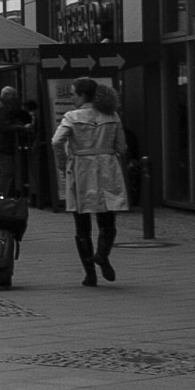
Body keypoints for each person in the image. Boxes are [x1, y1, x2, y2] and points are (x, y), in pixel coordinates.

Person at [53, 77, 129, 285]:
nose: (72, 98)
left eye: (73, 94)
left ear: (82, 95)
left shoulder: (71, 117)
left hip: (81, 167)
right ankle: (102, 254)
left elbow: (56, 141)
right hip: (107, 166)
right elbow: (122, 146)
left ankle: (90, 274)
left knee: (81, 221)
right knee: (107, 216)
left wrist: (63, 163)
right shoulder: (112, 115)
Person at [0, 85, 35, 199]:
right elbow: (5, 126)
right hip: (3, 144)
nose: (15, 99)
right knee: (7, 172)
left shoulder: (0, 106)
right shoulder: (1, 108)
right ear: (6, 96)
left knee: (6, 172)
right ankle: (1, 197)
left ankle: (1, 196)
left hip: (2, 144)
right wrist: (22, 127)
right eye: (13, 96)